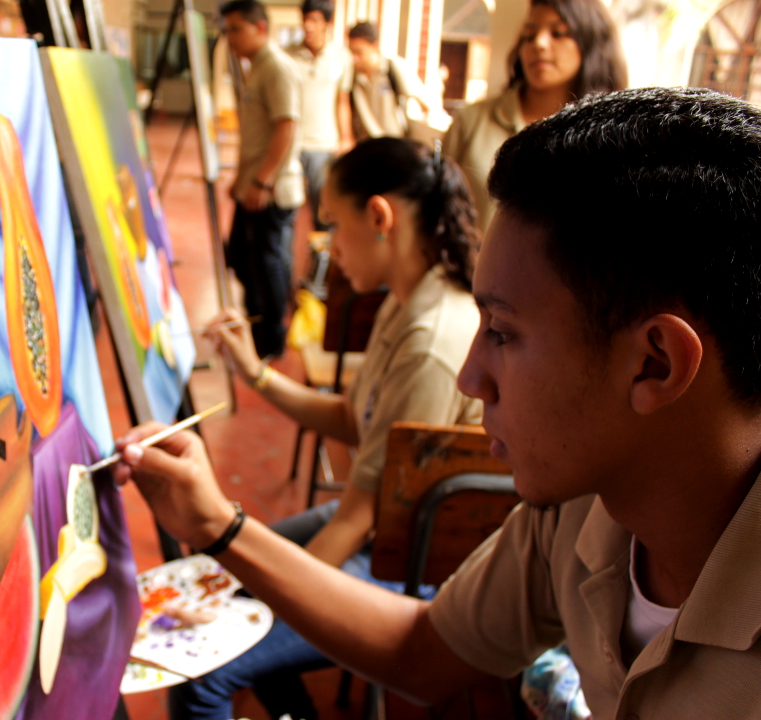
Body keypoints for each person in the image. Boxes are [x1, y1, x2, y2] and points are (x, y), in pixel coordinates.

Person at [114, 87, 761, 718]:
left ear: (655, 364)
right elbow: (424, 651)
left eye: (503, 334)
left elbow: (364, 527)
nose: (470, 377)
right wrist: (217, 526)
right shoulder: (582, 507)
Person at [171, 137, 483, 720]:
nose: (328, 249)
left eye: (333, 227)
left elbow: (357, 518)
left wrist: (262, 599)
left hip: (406, 561)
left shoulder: (433, 337)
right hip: (375, 530)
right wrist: (255, 372)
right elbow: (348, 416)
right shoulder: (407, 300)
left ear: (379, 216)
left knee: (203, 669)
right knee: (228, 577)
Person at [443, 0, 626, 231]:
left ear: (590, 42)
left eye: (558, 33)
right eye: (529, 36)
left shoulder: (607, 139)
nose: (538, 44)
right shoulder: (472, 121)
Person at [222, 0, 304, 358]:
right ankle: (258, 325)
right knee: (240, 254)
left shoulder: (276, 67)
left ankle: (271, 338)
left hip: (271, 190)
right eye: (226, 31)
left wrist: (262, 182)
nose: (229, 38)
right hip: (253, 185)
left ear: (260, 28)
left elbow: (286, 126)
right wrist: (242, 180)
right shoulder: (254, 67)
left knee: (268, 260)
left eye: (236, 29)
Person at [286, 0, 354, 232]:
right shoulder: (287, 57)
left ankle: (320, 266)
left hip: (324, 146)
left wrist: (346, 138)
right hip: (291, 144)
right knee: (288, 210)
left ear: (327, 23)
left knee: (323, 212)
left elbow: (342, 101)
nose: (308, 26)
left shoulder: (342, 57)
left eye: (315, 20)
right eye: (305, 19)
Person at [347, 22, 435, 143]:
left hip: (394, 144)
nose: (354, 58)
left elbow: (425, 103)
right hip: (366, 146)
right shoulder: (351, 75)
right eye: (351, 52)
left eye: (359, 52)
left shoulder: (393, 68)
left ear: (375, 46)